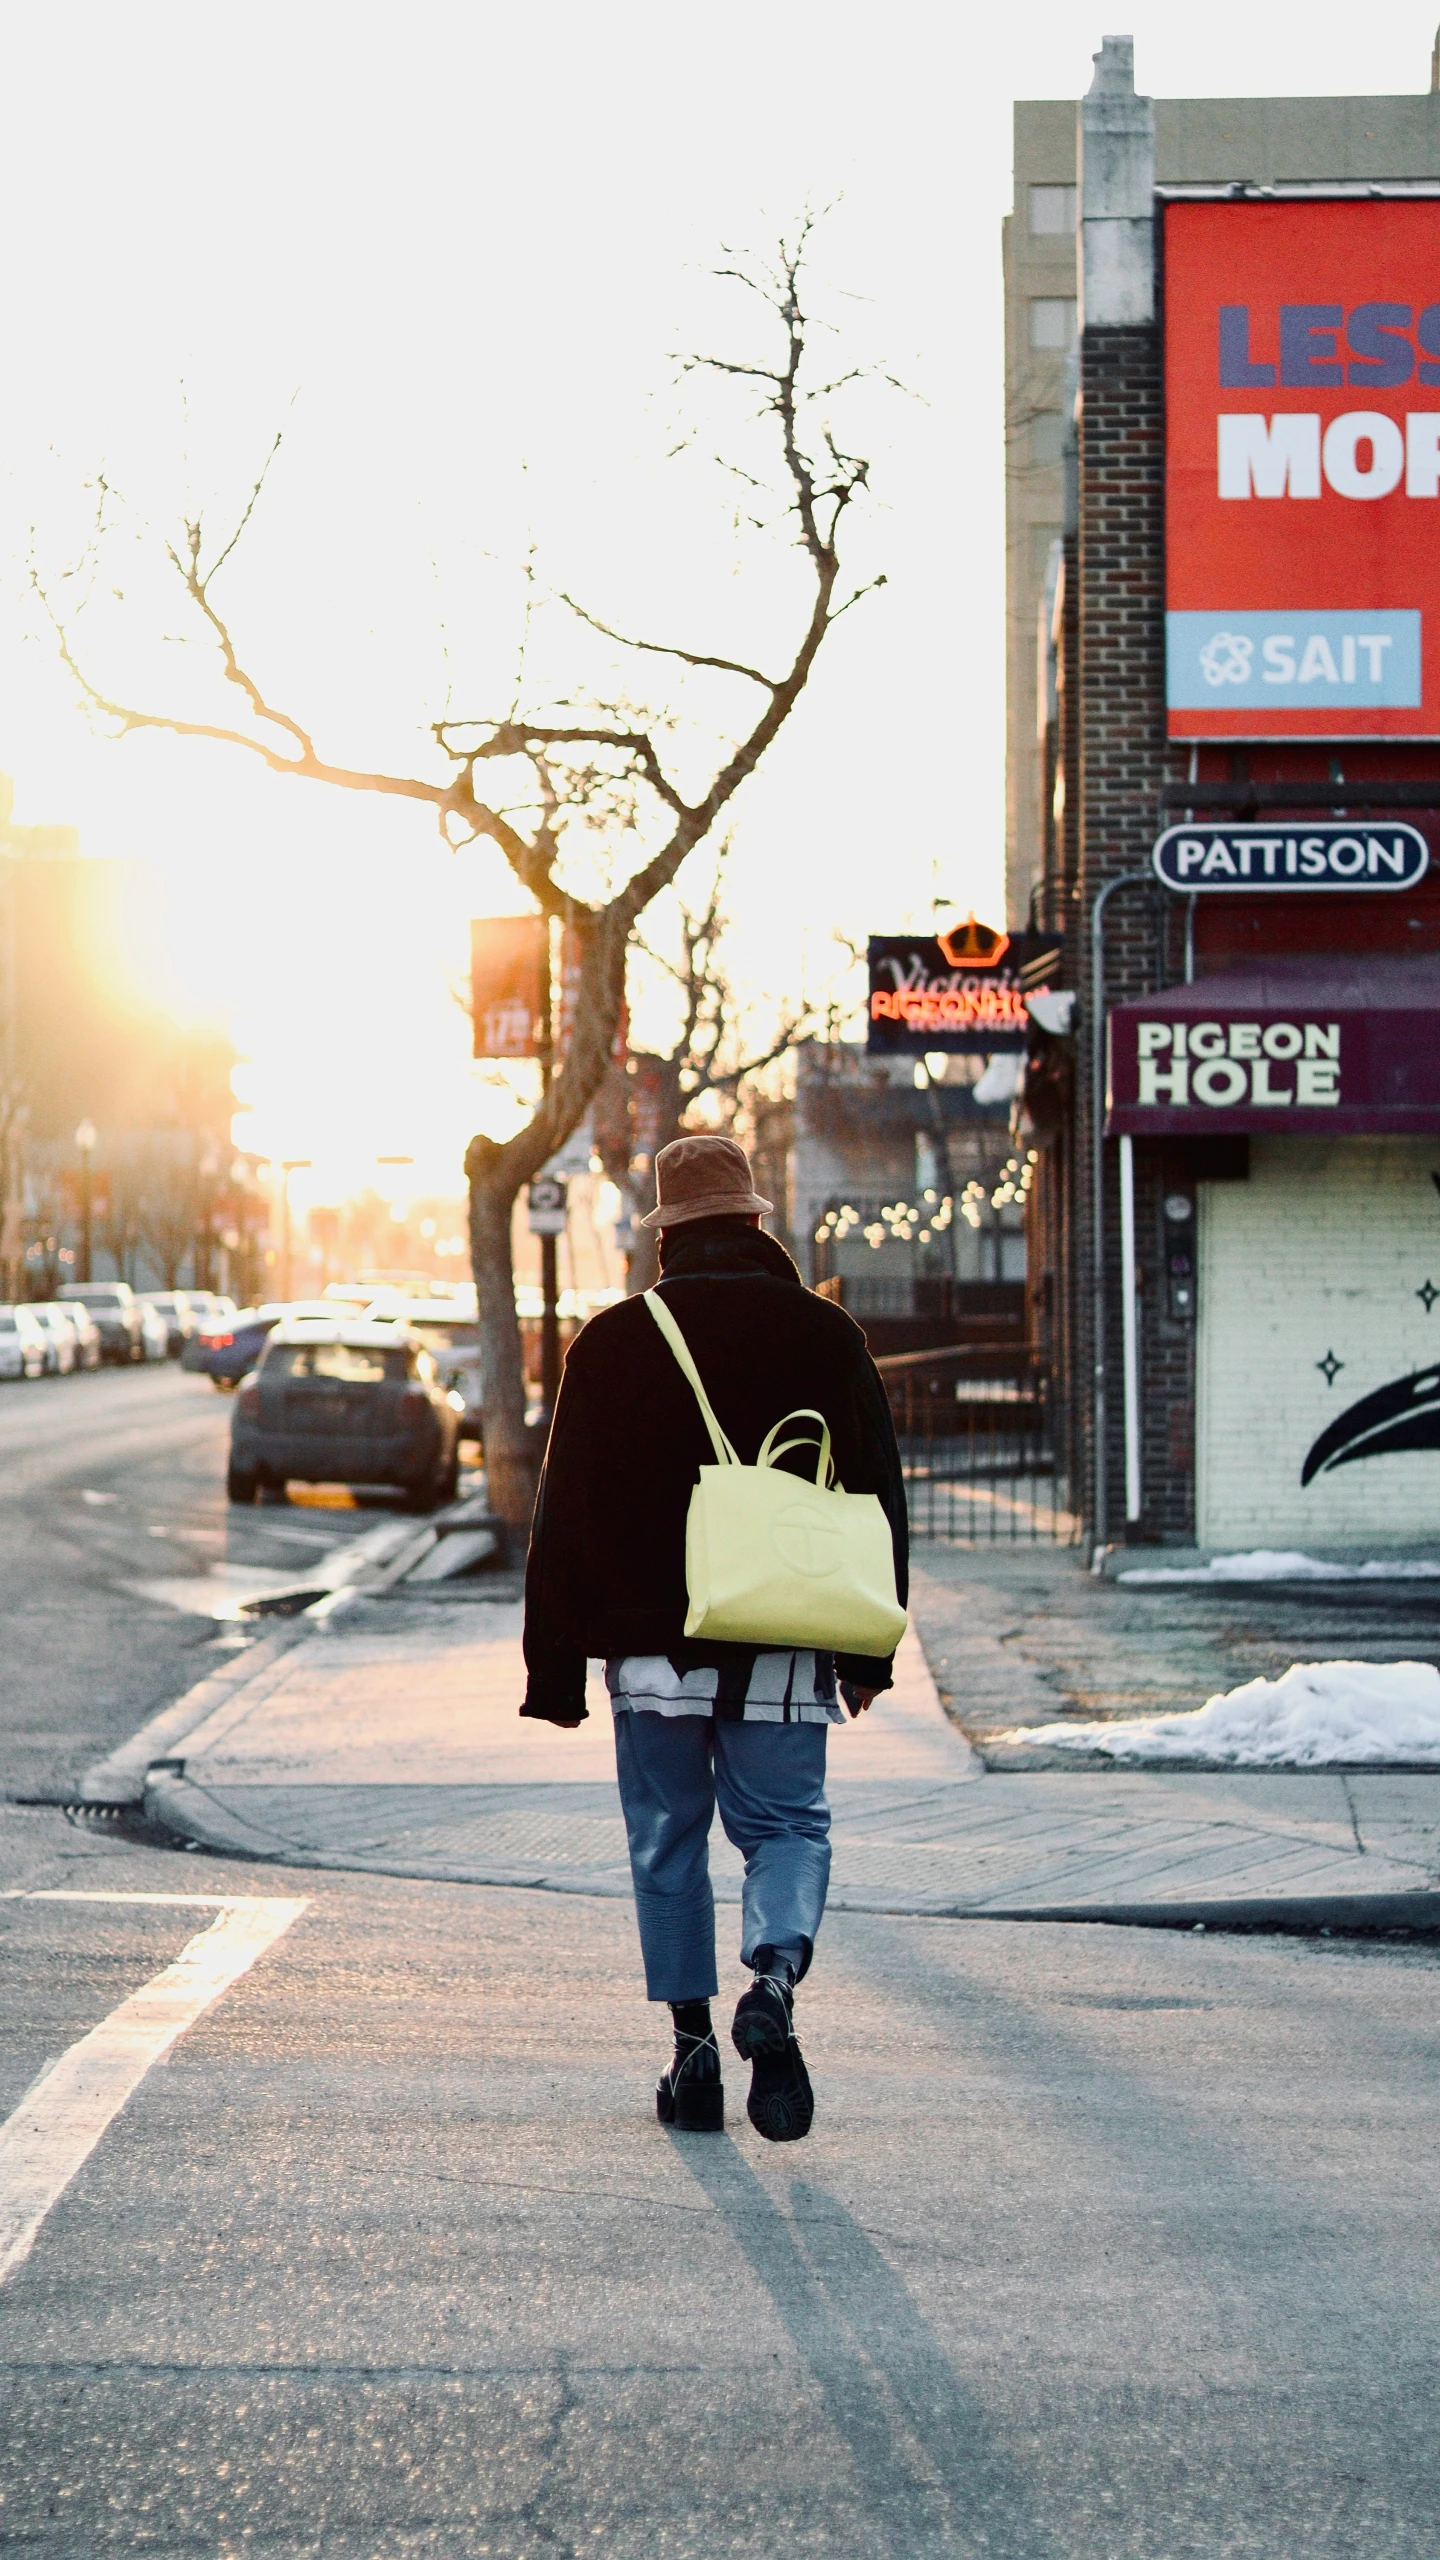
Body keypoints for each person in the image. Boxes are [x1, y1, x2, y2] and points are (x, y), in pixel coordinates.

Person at [521, 1130, 908, 2142]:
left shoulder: (608, 1343)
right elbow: (877, 1493)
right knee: (786, 1828)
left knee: (668, 1842)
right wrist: (870, 1652)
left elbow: (563, 1513)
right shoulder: (827, 1337)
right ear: (754, 1221)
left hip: (653, 1654)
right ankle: (774, 1977)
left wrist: (555, 1666)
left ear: (666, 1235)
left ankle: (693, 2060)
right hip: (783, 1637)